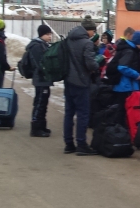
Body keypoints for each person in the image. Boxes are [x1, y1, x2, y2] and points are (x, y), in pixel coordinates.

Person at [62, 15, 101, 155]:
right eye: (93, 31)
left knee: (69, 113)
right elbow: (90, 63)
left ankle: (68, 144)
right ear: (88, 30)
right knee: (83, 114)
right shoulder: (87, 43)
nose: (94, 34)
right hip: (81, 82)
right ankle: (81, 144)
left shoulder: (68, 40)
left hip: (68, 81)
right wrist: (98, 63)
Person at [111, 30, 140, 125]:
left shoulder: (129, 49)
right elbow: (122, 67)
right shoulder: (130, 52)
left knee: (122, 110)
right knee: (123, 110)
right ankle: (119, 131)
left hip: (123, 85)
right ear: (138, 43)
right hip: (125, 86)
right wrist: (136, 75)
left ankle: (119, 130)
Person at [27, 24, 53, 137]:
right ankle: (36, 128)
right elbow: (40, 63)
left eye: (50, 34)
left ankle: (41, 125)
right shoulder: (37, 46)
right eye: (47, 34)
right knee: (40, 103)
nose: (50, 37)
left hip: (44, 78)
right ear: (42, 34)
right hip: (41, 78)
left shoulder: (42, 45)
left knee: (43, 102)